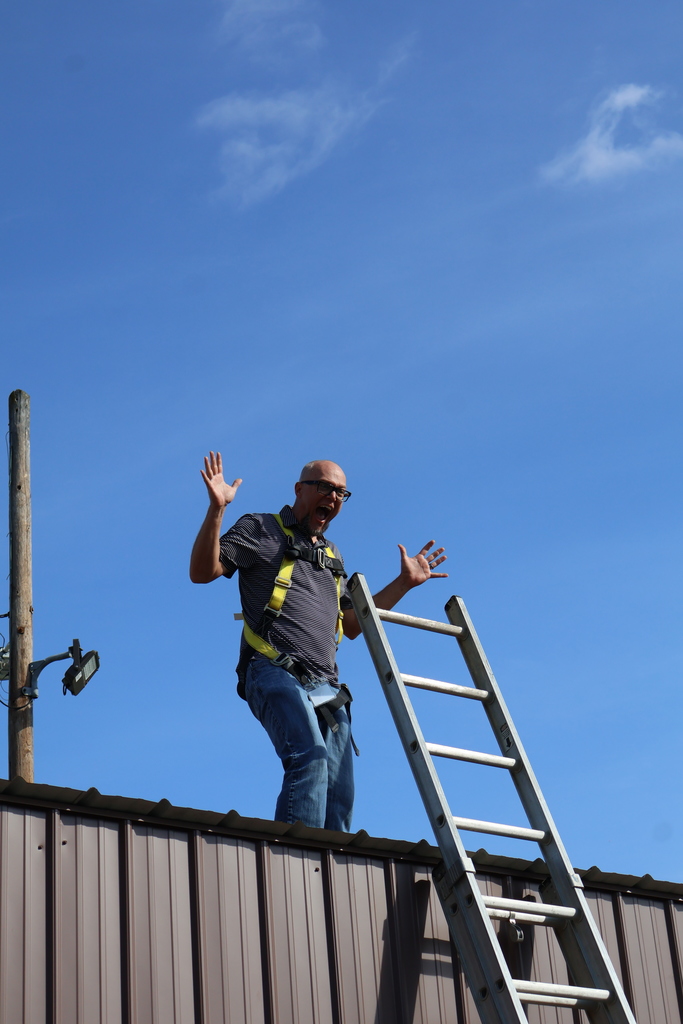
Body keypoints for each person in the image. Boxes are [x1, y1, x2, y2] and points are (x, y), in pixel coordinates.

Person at [189, 452, 447, 832]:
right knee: (309, 756)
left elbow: (354, 624)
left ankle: (332, 873)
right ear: (299, 489)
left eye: (342, 493)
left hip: (325, 685)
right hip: (274, 669)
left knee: (339, 788)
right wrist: (216, 510)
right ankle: (297, 862)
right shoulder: (261, 528)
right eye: (326, 487)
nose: (334, 497)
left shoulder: (331, 556)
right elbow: (202, 572)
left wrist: (403, 584)